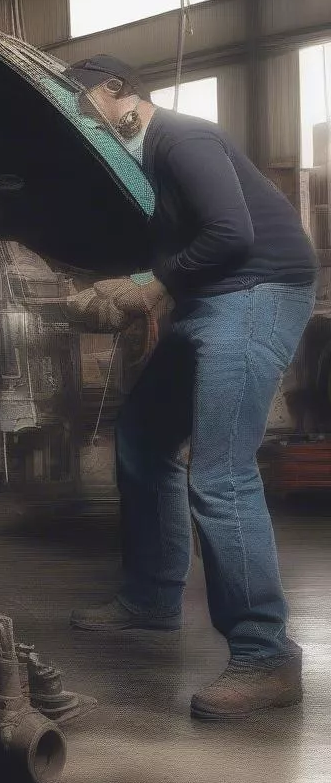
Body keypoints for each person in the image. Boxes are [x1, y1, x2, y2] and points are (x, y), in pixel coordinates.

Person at [63, 54, 319, 720]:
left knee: (221, 469)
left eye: (81, 99)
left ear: (120, 89)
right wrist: (129, 295)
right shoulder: (142, 168)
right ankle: (152, 599)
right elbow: (177, 253)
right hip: (211, 299)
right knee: (143, 437)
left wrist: (152, 287)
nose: (78, 115)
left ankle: (267, 655)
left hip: (259, 289)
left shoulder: (184, 138)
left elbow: (231, 235)